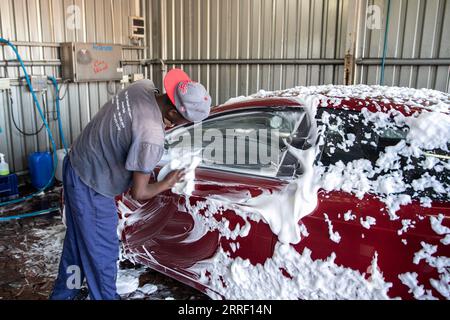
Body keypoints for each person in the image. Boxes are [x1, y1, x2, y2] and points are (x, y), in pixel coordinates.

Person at [50, 69, 212, 300]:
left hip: (76, 162)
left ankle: (63, 295)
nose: (187, 125)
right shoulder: (151, 136)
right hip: (93, 185)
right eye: (187, 121)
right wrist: (167, 182)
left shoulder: (142, 87)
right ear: (174, 113)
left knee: (77, 245)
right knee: (103, 254)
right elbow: (140, 192)